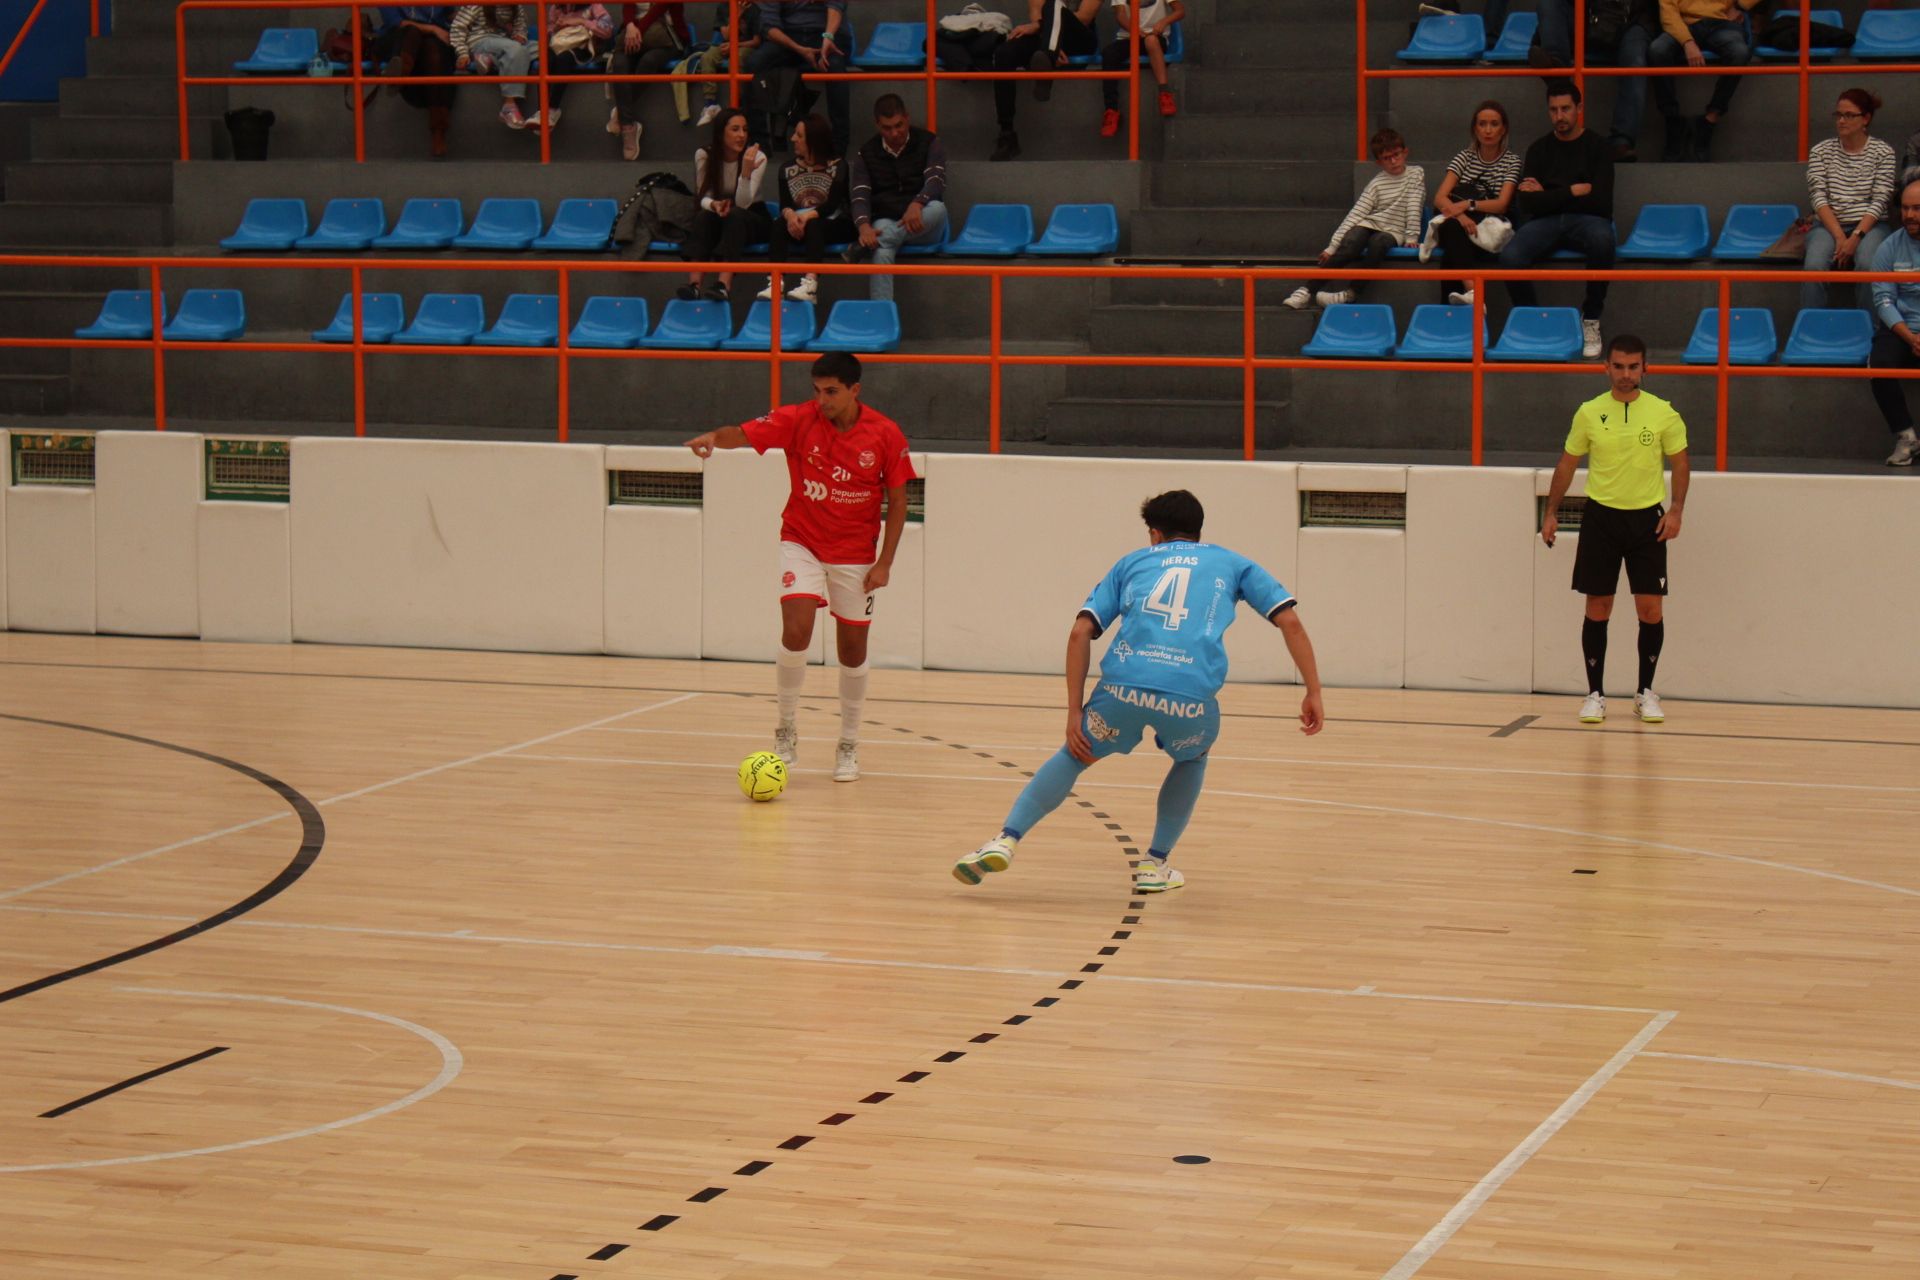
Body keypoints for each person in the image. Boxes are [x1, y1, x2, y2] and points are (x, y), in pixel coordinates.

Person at [953, 489, 1325, 894]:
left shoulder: (1131, 563)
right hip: (1189, 696)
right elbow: (1291, 624)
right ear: (1199, 531)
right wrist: (1312, 691)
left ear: (1154, 534)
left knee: (1074, 756)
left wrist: (1074, 711)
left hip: (1122, 690)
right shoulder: (1233, 563)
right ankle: (1155, 864)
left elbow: (1080, 632)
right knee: (1192, 759)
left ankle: (1006, 839)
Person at [684, 353, 916, 783]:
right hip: (802, 539)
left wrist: (884, 562)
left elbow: (899, 501)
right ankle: (786, 728)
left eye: (831, 392)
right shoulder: (798, 420)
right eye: (817, 390)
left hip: (855, 553)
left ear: (854, 391)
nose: (822, 399)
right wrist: (715, 437)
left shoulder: (884, 434)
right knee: (796, 629)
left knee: (852, 650)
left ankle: (848, 743)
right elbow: (746, 433)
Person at [1540, 333, 1689, 725]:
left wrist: (1675, 510)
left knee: (1650, 609)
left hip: (1647, 522)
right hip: (1601, 519)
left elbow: (1681, 463)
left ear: (1645, 368)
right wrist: (1551, 511)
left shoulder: (1664, 413)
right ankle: (1594, 694)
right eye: (1618, 366)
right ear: (1606, 367)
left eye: (1633, 367)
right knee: (1598, 607)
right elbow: (1568, 463)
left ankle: (1645, 693)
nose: (1626, 374)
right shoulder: (1589, 412)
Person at [1499, 79, 1616, 359]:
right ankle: (1533, 321)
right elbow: (1526, 203)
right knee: (1510, 257)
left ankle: (1591, 319)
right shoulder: (1539, 148)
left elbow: (1601, 203)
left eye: (1565, 109)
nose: (1559, 116)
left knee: (1603, 240)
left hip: (1587, 220)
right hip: (1546, 222)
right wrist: (1573, 190)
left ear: (1579, 108)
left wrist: (1548, 195)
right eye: (1553, 110)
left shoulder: (1597, 147)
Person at [1285, 128, 1424, 310]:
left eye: (1396, 155)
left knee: (1378, 243)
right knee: (1352, 241)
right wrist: (1332, 246)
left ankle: (1351, 294)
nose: (1393, 161)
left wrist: (1412, 236)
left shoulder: (1416, 174)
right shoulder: (1376, 183)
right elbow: (1357, 213)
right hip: (1370, 223)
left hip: (1393, 231)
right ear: (1378, 162)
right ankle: (1307, 290)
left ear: (1405, 152)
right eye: (1386, 158)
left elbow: (1415, 204)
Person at [845, 95, 949, 303]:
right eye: (887, 128)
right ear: (877, 125)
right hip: (887, 219)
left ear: (907, 118)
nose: (894, 133)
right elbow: (859, 194)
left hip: (924, 221)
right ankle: (881, 319)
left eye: (899, 125)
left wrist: (917, 203)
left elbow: (936, 180)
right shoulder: (866, 152)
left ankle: (866, 246)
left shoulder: (929, 141)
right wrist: (864, 227)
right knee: (882, 254)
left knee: (938, 209)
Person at [1803, 88, 1896, 314]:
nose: (1841, 121)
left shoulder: (1883, 152)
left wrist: (1855, 237)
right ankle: (1811, 328)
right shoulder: (1820, 151)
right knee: (1813, 266)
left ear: (1866, 118)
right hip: (1829, 224)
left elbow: (1881, 199)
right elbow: (1818, 197)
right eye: (1838, 115)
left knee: (1867, 265)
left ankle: (1869, 329)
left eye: (1849, 115)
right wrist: (1839, 237)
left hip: (1870, 225)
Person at [1428, 100, 1521, 306]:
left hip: (1489, 230)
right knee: (1453, 228)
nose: (1488, 130)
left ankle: (1454, 309)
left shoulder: (1512, 161)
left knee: (1451, 250)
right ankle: (1472, 291)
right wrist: (1460, 215)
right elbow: (1440, 197)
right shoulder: (1464, 157)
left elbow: (1502, 204)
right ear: (1475, 128)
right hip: (1461, 225)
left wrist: (1468, 205)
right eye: (1482, 124)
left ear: (1503, 128)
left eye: (1494, 124)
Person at [1649, 0, 1764, 162]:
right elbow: (1668, 13)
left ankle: (1710, 120)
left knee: (1739, 52)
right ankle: (1672, 121)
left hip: (1721, 22)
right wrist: (1688, 42)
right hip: (1684, 22)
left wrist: (1740, 6)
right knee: (1657, 50)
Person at [989, 0, 1103, 161]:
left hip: (1078, 38)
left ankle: (1048, 58)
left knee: (1054, 5)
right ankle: (1007, 134)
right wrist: (1048, 35)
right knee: (1004, 53)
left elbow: (1085, 17)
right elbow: (1036, 11)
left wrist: (1045, 33)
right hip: (1046, 35)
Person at [760, 113, 852, 304]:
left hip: (836, 223)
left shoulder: (839, 165)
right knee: (778, 224)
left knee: (814, 225)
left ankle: (810, 285)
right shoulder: (786, 168)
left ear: (814, 140)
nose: (793, 138)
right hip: (801, 224)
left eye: (799, 135)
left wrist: (807, 216)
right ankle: (776, 282)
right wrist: (791, 215)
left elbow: (832, 204)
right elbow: (785, 204)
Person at [680, 108, 770, 302]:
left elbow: (744, 203)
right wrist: (714, 205)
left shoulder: (757, 157)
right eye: (735, 129)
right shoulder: (704, 154)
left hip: (753, 217)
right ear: (721, 132)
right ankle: (694, 285)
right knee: (703, 216)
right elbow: (702, 197)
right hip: (721, 214)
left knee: (735, 215)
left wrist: (745, 172)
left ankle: (723, 284)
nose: (741, 135)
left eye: (745, 130)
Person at [747, 0, 852, 155]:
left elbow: (835, 6)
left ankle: (838, 148)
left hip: (828, 33)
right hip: (789, 38)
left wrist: (828, 37)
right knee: (753, 65)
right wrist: (799, 49)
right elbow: (769, 26)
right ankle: (759, 146)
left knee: (835, 67)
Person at [1866, 176, 1920, 467]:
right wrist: (1911, 337)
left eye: (1918, 209)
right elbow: (1883, 301)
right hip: (1900, 327)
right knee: (1879, 366)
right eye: (1905, 208)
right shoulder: (1888, 247)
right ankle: (1906, 436)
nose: (1910, 215)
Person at [609, 3, 692, 160]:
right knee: (619, 64)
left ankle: (622, 115)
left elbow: (659, 8)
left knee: (648, 61)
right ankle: (629, 127)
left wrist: (638, 31)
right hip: (633, 35)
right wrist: (630, 26)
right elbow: (628, 7)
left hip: (666, 38)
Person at [372, 6, 459, 157]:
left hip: (433, 40)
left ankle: (438, 131)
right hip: (399, 37)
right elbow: (395, 23)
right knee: (412, 32)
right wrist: (432, 29)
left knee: (435, 53)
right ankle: (400, 73)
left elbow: (450, 13)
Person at [1098, 0, 1185, 137]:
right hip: (1129, 37)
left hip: (1155, 36)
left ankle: (1164, 94)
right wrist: (1135, 31)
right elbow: (1120, 15)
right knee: (1108, 54)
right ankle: (1111, 110)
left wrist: (1164, 21)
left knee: (1151, 41)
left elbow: (1180, 11)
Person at [451, 5, 534, 130]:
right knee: (517, 50)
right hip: (481, 41)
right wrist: (462, 53)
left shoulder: (516, 6)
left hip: (506, 44)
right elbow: (458, 28)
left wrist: (520, 35)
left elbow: (520, 26)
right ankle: (509, 105)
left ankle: (489, 60)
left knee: (539, 48)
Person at [540, 3, 616, 129]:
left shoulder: (594, 6)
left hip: (583, 46)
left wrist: (582, 21)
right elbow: (549, 32)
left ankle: (552, 109)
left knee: (564, 58)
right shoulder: (556, 8)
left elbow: (607, 30)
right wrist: (557, 28)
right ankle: (542, 111)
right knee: (544, 57)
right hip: (561, 43)